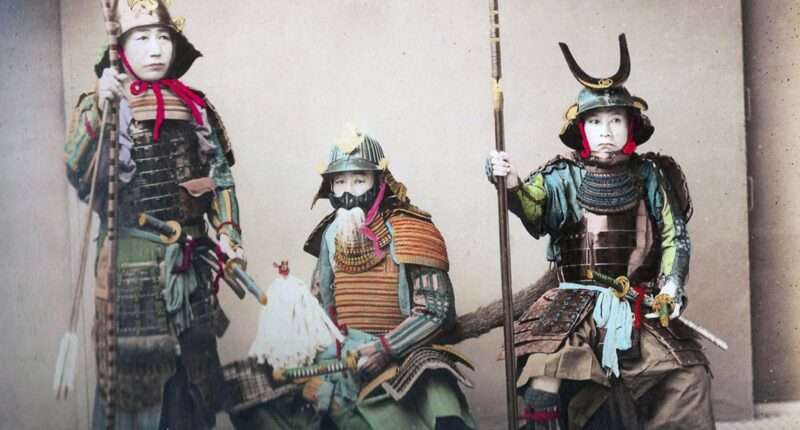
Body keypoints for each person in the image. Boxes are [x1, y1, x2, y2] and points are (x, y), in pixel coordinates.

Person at [487, 35, 715, 429]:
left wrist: (671, 286)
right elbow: (533, 207)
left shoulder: (651, 176)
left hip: (636, 304)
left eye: (615, 120)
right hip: (571, 304)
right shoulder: (561, 176)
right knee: (546, 375)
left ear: (630, 126)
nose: (605, 131)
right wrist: (509, 183)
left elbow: (674, 237)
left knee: (688, 376)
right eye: (595, 122)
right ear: (582, 129)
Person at [64, 1, 242, 428]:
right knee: (134, 386)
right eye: (142, 38)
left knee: (191, 383)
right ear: (121, 48)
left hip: (189, 262)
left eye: (163, 37)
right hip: (130, 265)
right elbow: (77, 172)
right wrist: (100, 110)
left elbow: (220, 178)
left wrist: (229, 234)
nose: (156, 49)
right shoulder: (100, 104)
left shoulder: (196, 107)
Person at [229, 128, 475, 429]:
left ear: (379, 181)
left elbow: (437, 310)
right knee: (264, 394)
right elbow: (321, 304)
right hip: (345, 351)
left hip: (407, 348)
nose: (347, 193)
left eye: (359, 181)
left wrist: (386, 347)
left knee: (440, 406)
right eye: (340, 182)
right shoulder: (330, 233)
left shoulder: (411, 228)